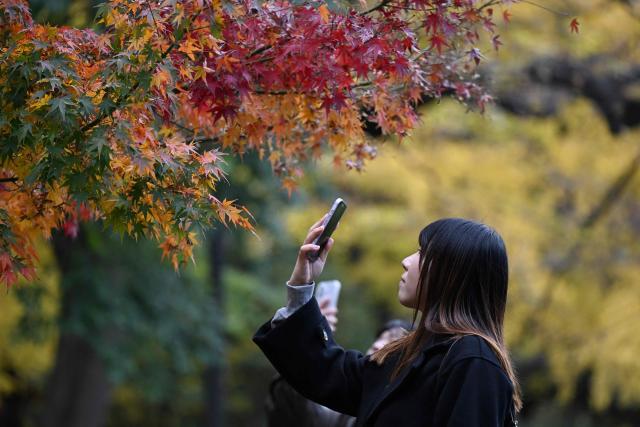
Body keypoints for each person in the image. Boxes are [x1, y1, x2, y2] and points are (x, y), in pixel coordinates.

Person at [254, 217, 522, 426]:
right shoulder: (411, 356)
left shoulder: (473, 360)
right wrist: (302, 285)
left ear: (453, 274)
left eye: (422, 252)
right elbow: (328, 372)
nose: (406, 262)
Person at [265, 301, 412, 427]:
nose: (378, 344)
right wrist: (307, 342)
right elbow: (296, 412)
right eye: (380, 338)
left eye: (391, 343)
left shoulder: (393, 412)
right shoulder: (347, 404)